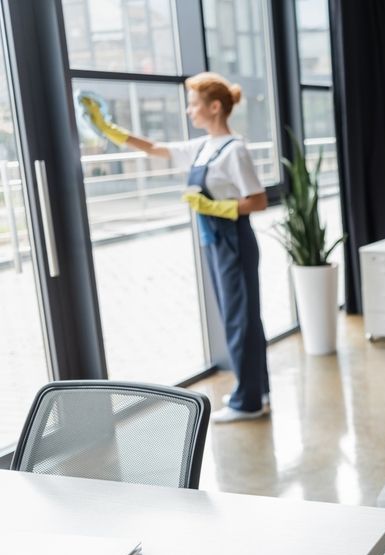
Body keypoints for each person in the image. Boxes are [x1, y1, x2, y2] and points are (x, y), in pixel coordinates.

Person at [81, 73, 271, 423]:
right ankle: (257, 391)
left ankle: (248, 403)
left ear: (215, 107)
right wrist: (108, 129)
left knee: (239, 319)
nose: (188, 111)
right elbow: (155, 149)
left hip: (234, 240)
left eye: (194, 104)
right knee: (241, 317)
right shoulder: (202, 147)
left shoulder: (234, 149)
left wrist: (215, 207)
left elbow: (258, 200)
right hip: (215, 241)